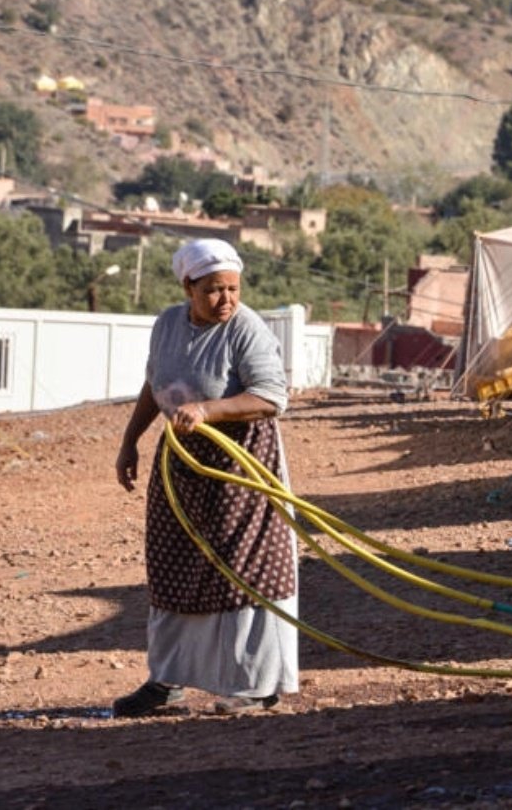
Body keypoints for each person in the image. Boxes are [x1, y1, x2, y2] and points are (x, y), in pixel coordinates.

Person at [113, 238, 299, 717]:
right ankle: (166, 681)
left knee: (244, 569)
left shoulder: (246, 329)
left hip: (242, 467)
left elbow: (271, 397)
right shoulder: (168, 325)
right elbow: (155, 387)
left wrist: (208, 410)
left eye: (233, 289)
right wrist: (130, 441)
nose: (227, 300)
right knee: (174, 566)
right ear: (188, 287)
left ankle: (256, 686)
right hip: (182, 465)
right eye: (214, 290)